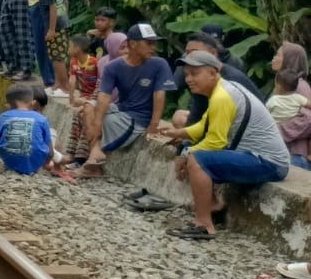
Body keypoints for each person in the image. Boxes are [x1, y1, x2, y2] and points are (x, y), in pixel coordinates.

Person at [152, 50, 290, 239]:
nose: (189, 79)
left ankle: (204, 225)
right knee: (192, 151)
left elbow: (216, 141)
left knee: (197, 160)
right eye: (187, 75)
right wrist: (180, 133)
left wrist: (184, 155)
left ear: (213, 73)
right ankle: (214, 205)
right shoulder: (223, 89)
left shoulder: (222, 96)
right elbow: (204, 126)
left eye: (195, 73)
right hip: (261, 158)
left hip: (269, 163)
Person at [77, 23, 175, 175]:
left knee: (103, 119)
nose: (153, 47)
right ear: (133, 44)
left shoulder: (159, 64)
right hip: (121, 109)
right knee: (88, 107)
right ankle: (95, 152)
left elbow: (160, 94)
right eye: (148, 43)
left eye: (154, 43)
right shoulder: (113, 67)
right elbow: (104, 96)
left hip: (138, 118)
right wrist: (97, 121)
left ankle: (93, 160)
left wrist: (154, 125)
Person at [170, 32, 264, 131]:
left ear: (213, 54)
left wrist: (187, 140)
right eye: (187, 53)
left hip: (248, 134)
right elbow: (197, 115)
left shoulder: (230, 81)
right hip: (226, 128)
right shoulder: (202, 80)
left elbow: (217, 130)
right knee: (179, 117)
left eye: (194, 52)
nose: (188, 57)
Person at [0, 81, 53, 175]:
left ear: (8, 104)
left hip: (9, 162)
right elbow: (50, 153)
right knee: (50, 164)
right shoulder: (42, 119)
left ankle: (13, 165)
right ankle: (37, 168)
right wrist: (45, 164)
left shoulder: (2, 117)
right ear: (33, 103)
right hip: (36, 163)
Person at [271, 42, 311, 169]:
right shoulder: (285, 85)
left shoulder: (299, 86)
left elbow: (308, 120)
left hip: (295, 155)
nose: (274, 58)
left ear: (289, 60)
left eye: (278, 55)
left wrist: (276, 130)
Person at [63, 34, 100, 166]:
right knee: (76, 114)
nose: (68, 49)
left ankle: (80, 157)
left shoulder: (94, 62)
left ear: (77, 48)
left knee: (84, 115)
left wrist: (87, 101)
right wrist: (72, 98)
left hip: (94, 98)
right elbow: (72, 80)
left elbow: (99, 84)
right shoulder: (74, 62)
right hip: (84, 96)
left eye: (70, 46)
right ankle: (71, 152)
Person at [33, 0, 68, 94]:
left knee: (56, 56)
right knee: (57, 55)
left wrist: (51, 29)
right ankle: (58, 83)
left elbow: (52, 7)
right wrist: (65, 18)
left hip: (54, 26)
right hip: (63, 23)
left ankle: (63, 85)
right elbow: (65, 2)